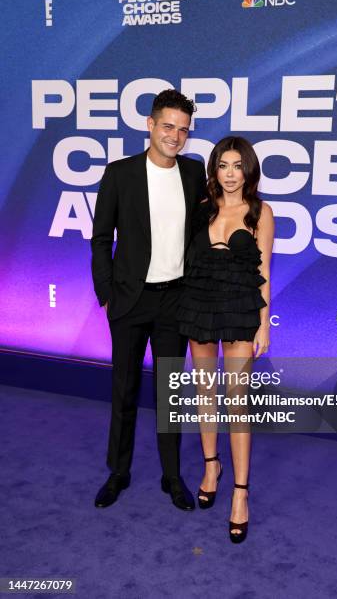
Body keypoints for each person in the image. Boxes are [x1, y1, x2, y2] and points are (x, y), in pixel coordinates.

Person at [91, 89, 206, 511]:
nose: (175, 136)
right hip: (129, 301)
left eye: (183, 130)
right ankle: (118, 472)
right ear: (150, 125)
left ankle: (172, 476)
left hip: (174, 301)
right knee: (124, 390)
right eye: (168, 126)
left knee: (171, 396)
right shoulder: (120, 174)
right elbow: (101, 238)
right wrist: (106, 292)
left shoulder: (194, 174)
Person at [177, 136, 274, 542]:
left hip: (239, 310)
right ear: (214, 169)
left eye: (238, 166)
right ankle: (211, 465)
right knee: (205, 393)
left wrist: (263, 324)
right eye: (223, 165)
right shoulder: (201, 210)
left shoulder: (260, 212)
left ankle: (240, 493)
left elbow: (265, 270)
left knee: (237, 403)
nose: (231, 174)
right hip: (199, 303)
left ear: (248, 170)